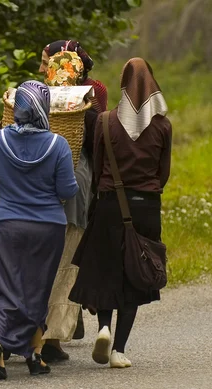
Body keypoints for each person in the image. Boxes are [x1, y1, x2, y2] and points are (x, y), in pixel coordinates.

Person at [69, 58, 171, 368]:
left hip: (111, 203)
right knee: (135, 275)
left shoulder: (104, 122)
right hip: (147, 206)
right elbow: (163, 172)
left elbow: (99, 166)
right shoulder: (163, 126)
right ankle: (119, 351)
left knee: (107, 269)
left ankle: (103, 328)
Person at [0, 80, 78, 380]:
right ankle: (34, 356)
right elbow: (68, 189)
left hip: (8, 225)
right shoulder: (58, 144)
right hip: (47, 227)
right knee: (37, 291)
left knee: (6, 287)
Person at [39, 51, 98, 363]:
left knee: (34, 267)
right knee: (64, 268)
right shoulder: (86, 108)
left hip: (36, 197)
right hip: (72, 197)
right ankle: (52, 340)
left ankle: (20, 332)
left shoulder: (35, 101)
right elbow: (94, 148)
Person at [40, 40, 108, 114]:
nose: (40, 69)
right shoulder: (44, 92)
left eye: (46, 63)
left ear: (64, 64)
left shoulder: (95, 91)